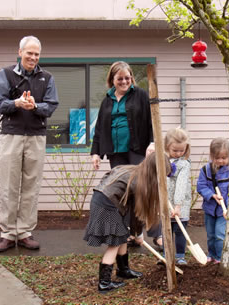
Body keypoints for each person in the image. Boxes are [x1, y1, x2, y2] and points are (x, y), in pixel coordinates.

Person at [0, 36, 59, 252]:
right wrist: (16, 103)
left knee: (32, 185)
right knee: (9, 185)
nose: (33, 57)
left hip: (36, 136)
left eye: (37, 54)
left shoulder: (47, 78)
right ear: (19, 52)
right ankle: (8, 233)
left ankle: (25, 232)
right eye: (29, 53)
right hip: (11, 134)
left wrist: (35, 107)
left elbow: (51, 106)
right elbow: (0, 104)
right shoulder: (6, 74)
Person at [84, 152, 172, 293]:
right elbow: (138, 214)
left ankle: (123, 270)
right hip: (108, 205)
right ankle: (104, 283)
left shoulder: (133, 170)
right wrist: (138, 235)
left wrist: (135, 233)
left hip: (101, 199)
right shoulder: (140, 183)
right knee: (115, 242)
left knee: (122, 235)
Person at [90, 61, 154, 246]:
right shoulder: (107, 100)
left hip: (136, 149)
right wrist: (96, 153)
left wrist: (152, 142)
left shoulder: (140, 95)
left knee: (138, 190)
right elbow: (100, 129)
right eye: (120, 78)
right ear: (112, 80)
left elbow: (152, 119)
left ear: (132, 78)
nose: (124, 81)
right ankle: (125, 231)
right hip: (115, 152)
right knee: (121, 193)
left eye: (127, 78)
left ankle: (138, 230)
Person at [147, 128, 192, 265]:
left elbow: (181, 185)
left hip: (180, 205)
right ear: (167, 147)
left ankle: (179, 256)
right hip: (165, 204)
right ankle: (167, 255)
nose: (178, 153)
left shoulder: (184, 165)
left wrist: (178, 206)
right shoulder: (162, 162)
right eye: (175, 150)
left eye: (181, 150)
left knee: (179, 231)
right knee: (166, 230)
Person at [197, 137, 229, 264]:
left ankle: (219, 257)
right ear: (212, 156)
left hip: (224, 211)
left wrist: (228, 205)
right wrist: (211, 195)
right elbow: (201, 186)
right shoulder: (206, 170)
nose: (221, 161)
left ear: (228, 156)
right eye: (217, 158)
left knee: (219, 235)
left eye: (224, 158)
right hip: (210, 209)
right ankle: (211, 253)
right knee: (211, 234)